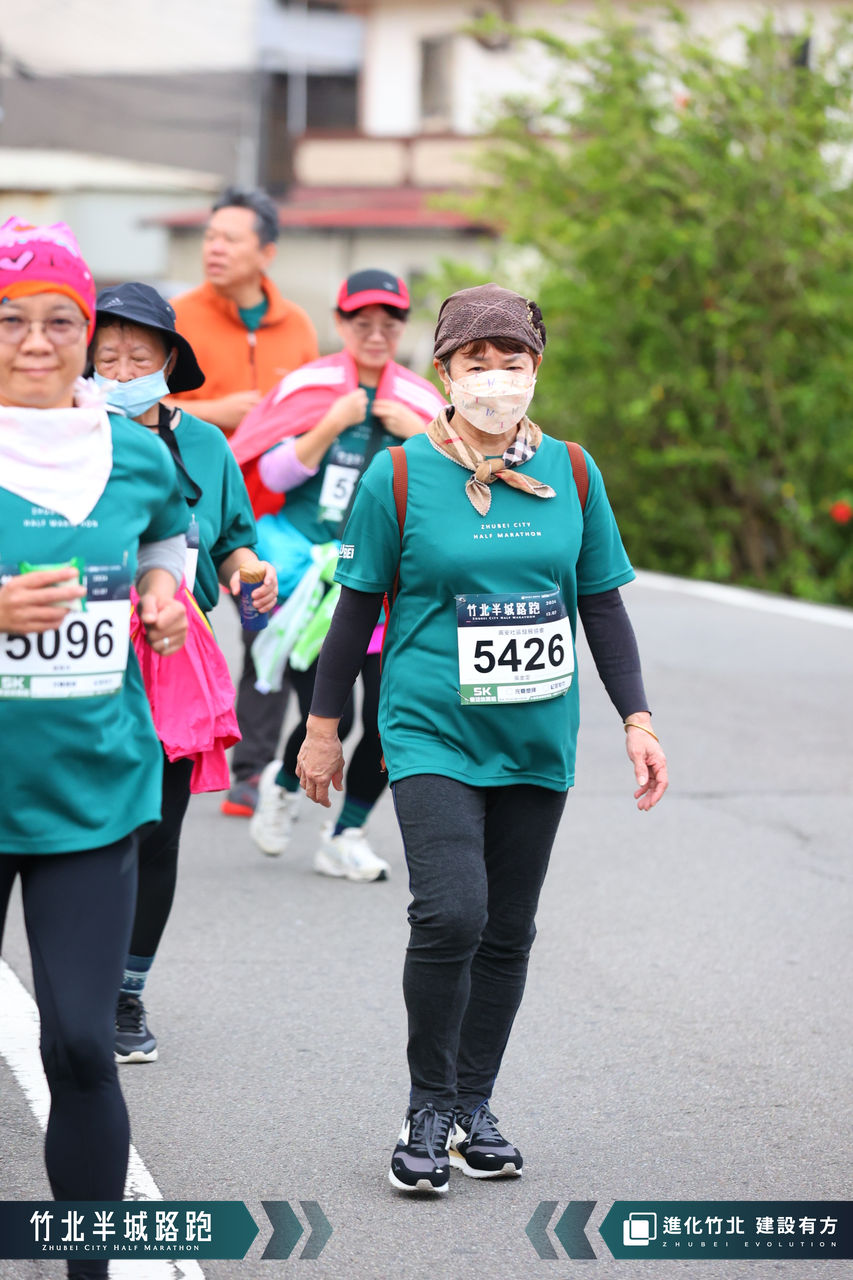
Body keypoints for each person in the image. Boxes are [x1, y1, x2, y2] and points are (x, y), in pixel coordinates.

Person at [295, 283, 668, 1192]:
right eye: (476, 362)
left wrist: (637, 718)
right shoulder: (397, 476)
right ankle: (426, 1106)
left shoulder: (574, 472)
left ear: (535, 370)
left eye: (513, 362)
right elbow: (354, 611)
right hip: (430, 728)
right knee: (451, 912)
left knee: (506, 929)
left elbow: (600, 604)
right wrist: (322, 728)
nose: (495, 378)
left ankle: (472, 1107)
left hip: (536, 735)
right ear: (444, 373)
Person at [0, 219, 189, 1279]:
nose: (36, 341)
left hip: (93, 786)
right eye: (10, 320)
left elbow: (168, 534)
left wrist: (160, 590)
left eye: (58, 321)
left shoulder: (133, 450)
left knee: (80, 1040)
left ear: (86, 331)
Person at [90, 281, 277, 1063]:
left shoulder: (205, 445)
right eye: (107, 356)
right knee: (87, 827)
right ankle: (79, 982)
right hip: (84, 645)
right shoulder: (68, 435)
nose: (121, 370)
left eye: (138, 356)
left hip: (174, 651)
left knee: (158, 833)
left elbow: (231, 540)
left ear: (170, 361)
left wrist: (249, 571)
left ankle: (126, 993)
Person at [230, 269, 446, 880]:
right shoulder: (309, 387)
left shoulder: (424, 403)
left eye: (389, 323)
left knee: (388, 717)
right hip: (312, 583)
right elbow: (267, 475)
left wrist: (419, 438)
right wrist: (329, 424)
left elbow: (455, 484)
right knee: (334, 716)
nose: (376, 334)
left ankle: (346, 832)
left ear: (403, 328)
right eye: (362, 322)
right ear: (341, 323)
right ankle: (283, 782)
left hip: (388, 586)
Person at [169, 186, 319, 818]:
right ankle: (181, 752)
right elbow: (138, 402)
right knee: (189, 629)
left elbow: (311, 410)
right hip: (190, 513)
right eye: (210, 237)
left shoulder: (298, 326)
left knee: (269, 633)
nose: (215, 248)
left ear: (266, 252)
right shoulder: (179, 316)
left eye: (230, 238)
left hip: (274, 520)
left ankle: (254, 769)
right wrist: (218, 410)